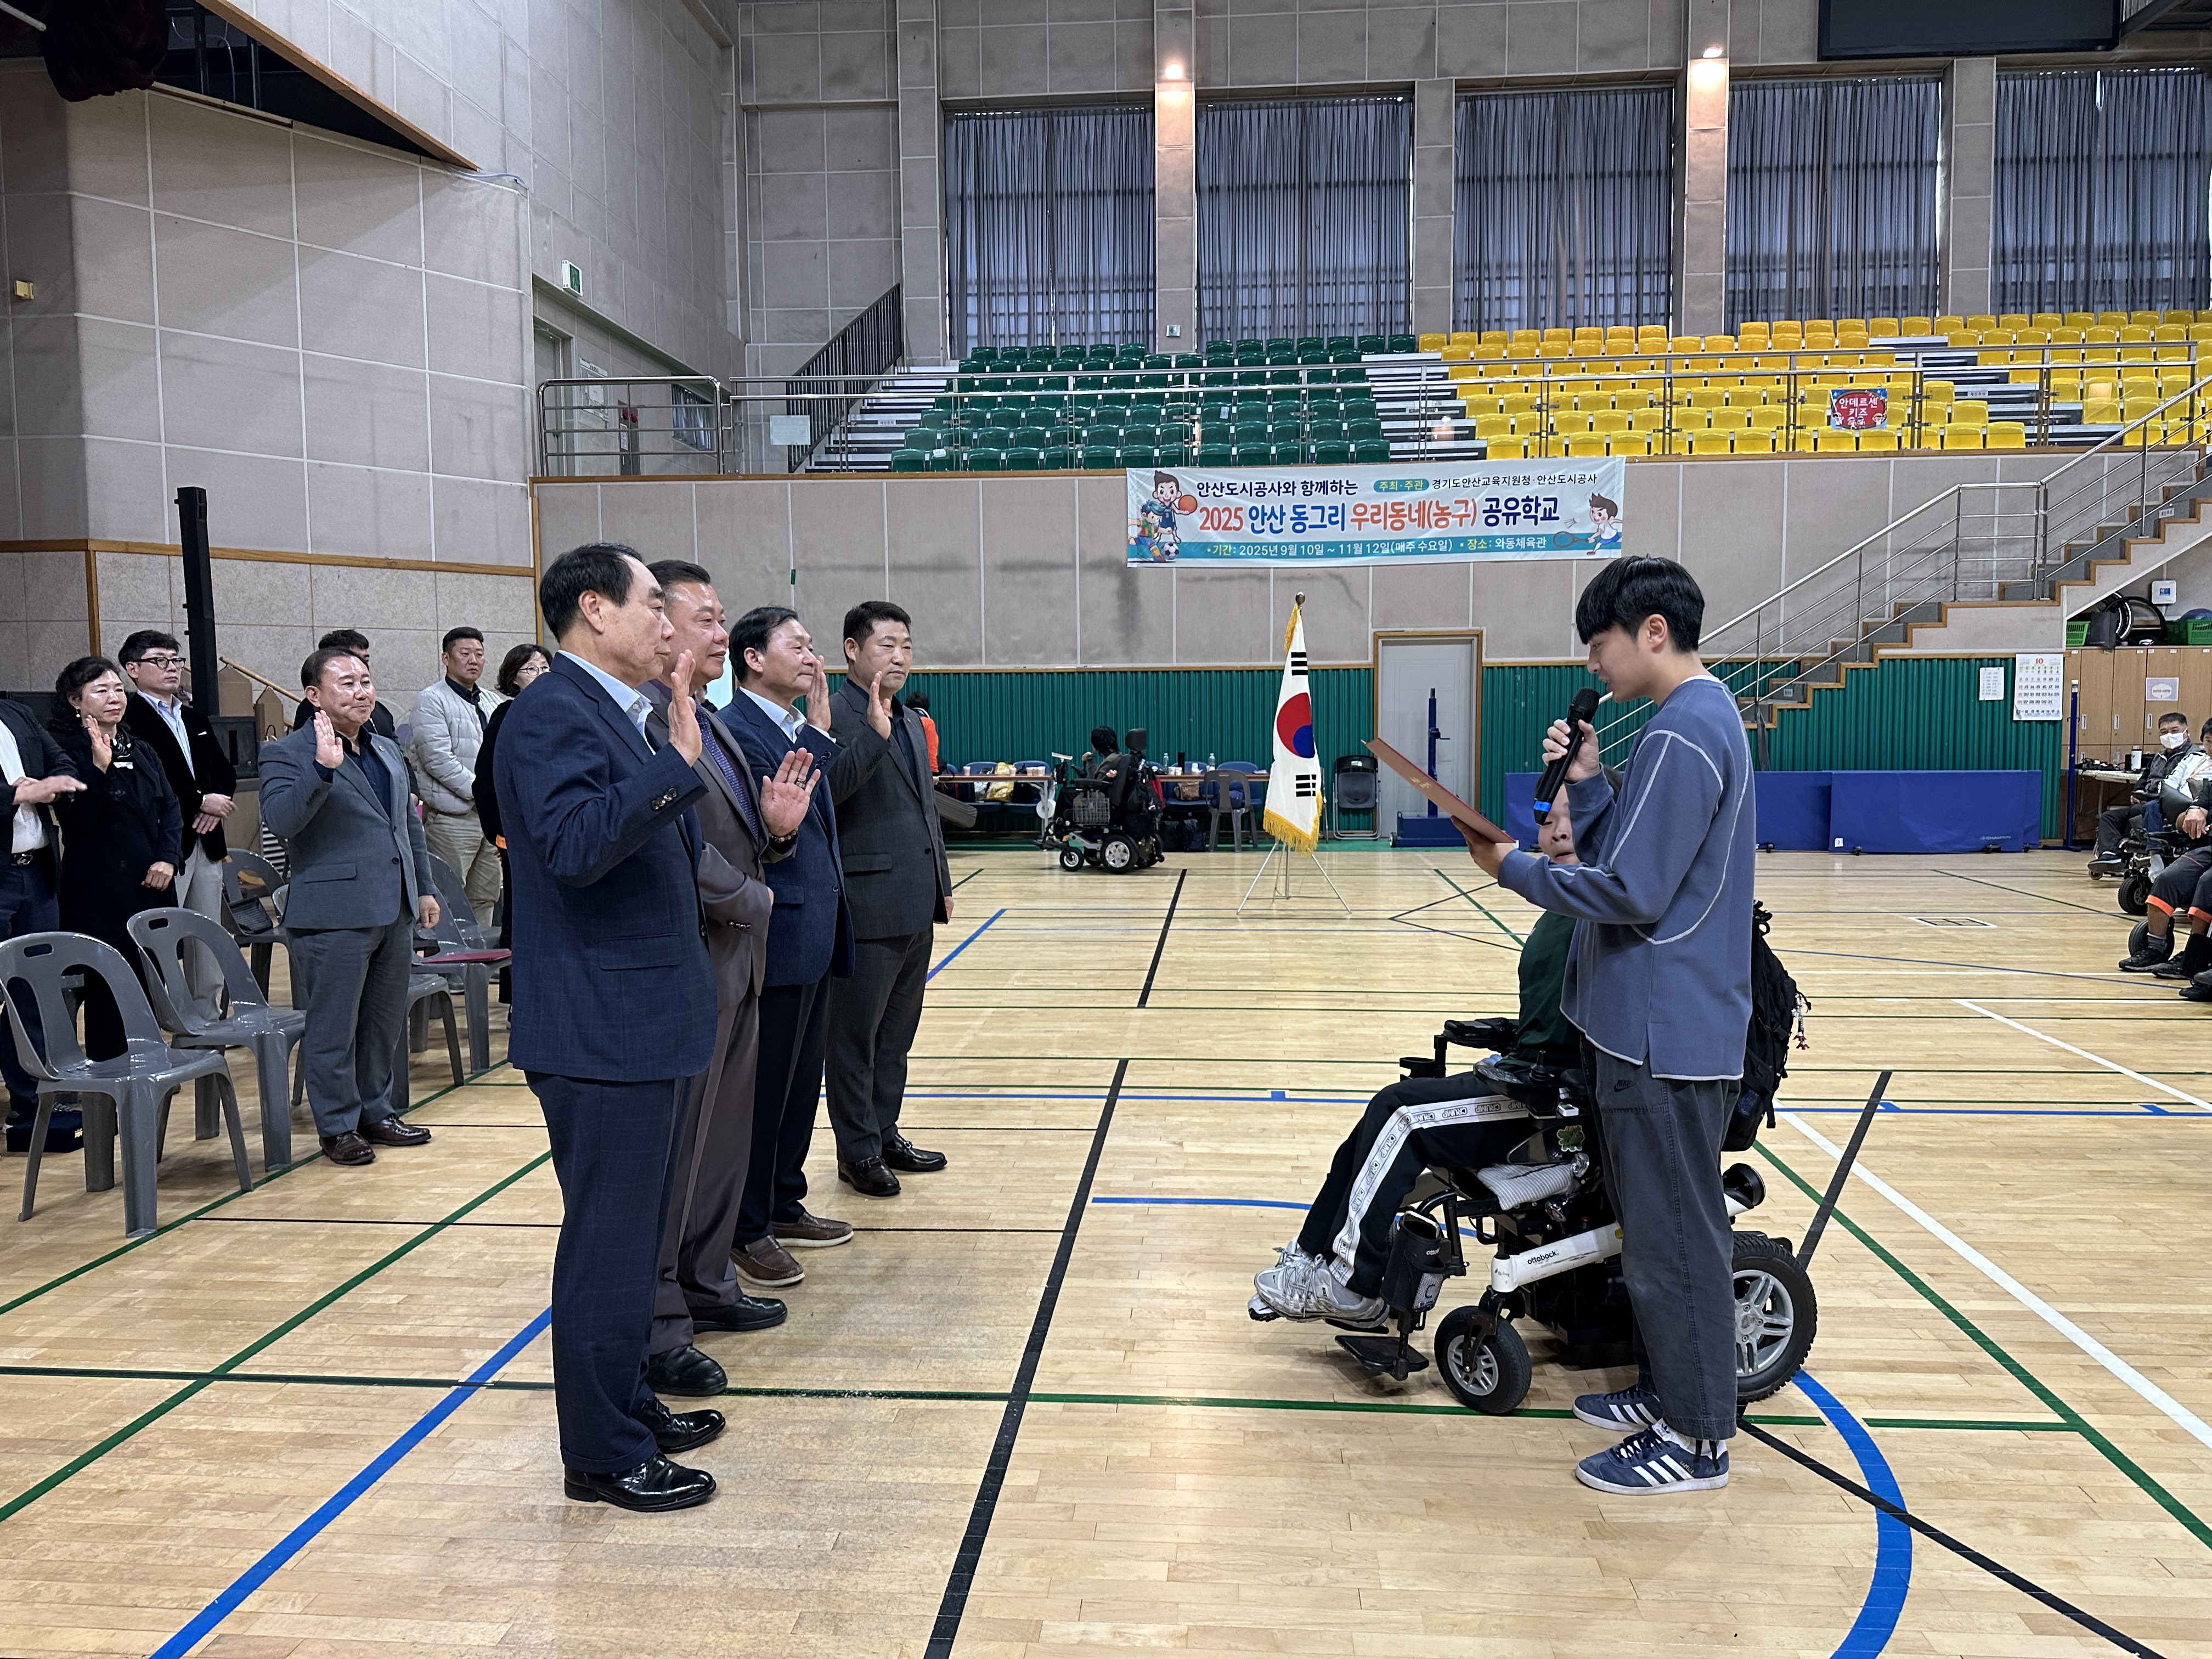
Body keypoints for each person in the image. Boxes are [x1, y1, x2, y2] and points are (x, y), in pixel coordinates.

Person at [1464, 555, 1753, 1497]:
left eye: (1600, 644)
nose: (1593, 665)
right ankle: (1670, 1393)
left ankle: (1698, 1438)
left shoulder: (1686, 730)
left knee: (1676, 1242)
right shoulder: (1690, 723)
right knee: (1657, 1233)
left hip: (1663, 1034)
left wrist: (1511, 867)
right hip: (1652, 1027)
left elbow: (1631, 889)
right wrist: (1586, 783)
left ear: (1652, 631)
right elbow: (1636, 851)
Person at [495, 542, 721, 1514]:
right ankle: (599, 1451)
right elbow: (577, 846)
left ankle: (624, 1400)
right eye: (652, 605)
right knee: (607, 1243)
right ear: (595, 609)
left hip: (640, 1020)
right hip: (600, 1027)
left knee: (633, 1244)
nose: (668, 625)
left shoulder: (617, 713)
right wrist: (674, 768)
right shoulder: (551, 712)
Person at [1253, 808, 1581, 1324]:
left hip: (1552, 1105)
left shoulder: (1602, 915)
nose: (1559, 831)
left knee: (1402, 1115)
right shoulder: (1559, 909)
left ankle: (1355, 1285)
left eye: (1575, 817)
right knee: (1377, 1118)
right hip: (1521, 1076)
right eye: (1549, 820)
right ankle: (1310, 1255)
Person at [640, 561, 819, 1394]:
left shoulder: (706, 720)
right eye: (706, 619)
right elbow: (670, 845)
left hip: (738, 953)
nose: (721, 632)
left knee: (722, 1143)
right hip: (697, 951)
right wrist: (753, 896)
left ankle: (709, 1283)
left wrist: (778, 836)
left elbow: (739, 832)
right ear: (658, 622)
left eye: (722, 619)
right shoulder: (646, 720)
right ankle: (663, 1307)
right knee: (678, 1151)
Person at [718, 605, 894, 1291]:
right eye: (796, 646)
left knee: (798, 1089)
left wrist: (818, 733)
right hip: (778, 933)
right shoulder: (741, 730)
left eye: (812, 646)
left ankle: (785, 1202)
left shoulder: (793, 726)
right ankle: (748, 1225)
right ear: (753, 658)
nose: (812, 658)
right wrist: (821, 735)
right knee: (765, 1093)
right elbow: (779, 818)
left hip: (815, 930)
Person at [257, 646, 442, 1168]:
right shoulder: (286, 753)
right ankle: (337, 1126)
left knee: (382, 1022)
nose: (362, 691)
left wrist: (423, 888)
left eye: (366, 681)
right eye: (347, 683)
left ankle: (375, 1112)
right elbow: (281, 821)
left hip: (393, 906)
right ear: (314, 695)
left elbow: (407, 825)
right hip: (332, 911)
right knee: (333, 1026)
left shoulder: (385, 748)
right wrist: (321, 768)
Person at [822, 601, 953, 1199]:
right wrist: (873, 738)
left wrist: (941, 884)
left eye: (906, 646)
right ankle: (857, 1151)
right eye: (886, 645)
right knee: (855, 1039)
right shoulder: (833, 715)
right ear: (852, 650)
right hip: (866, 904)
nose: (900, 657)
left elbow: (925, 811)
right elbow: (827, 795)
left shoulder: (909, 718)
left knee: (896, 1036)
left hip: (915, 902)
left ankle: (884, 1131)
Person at [45, 658, 180, 1062]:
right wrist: (100, 769)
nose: (114, 698)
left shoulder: (141, 748)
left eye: (118, 689)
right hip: (99, 891)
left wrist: (167, 858)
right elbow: (78, 822)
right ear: (76, 701)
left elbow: (171, 809)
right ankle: (111, 1075)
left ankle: (147, 1066)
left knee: (150, 979)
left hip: (151, 883)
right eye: (101, 691)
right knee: (106, 988)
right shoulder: (65, 753)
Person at [116, 630, 238, 1013]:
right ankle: (160, 1017)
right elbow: (151, 782)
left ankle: (207, 1017)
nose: (172, 668)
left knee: (207, 933)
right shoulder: (128, 719)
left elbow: (223, 771)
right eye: (160, 661)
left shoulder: (193, 717)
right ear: (133, 669)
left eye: (176, 661)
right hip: (164, 845)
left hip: (207, 839)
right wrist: (201, 801)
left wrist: (215, 804)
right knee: (162, 934)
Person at [0, 695, 83, 1153]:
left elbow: (61, 759)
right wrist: (16, 794)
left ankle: (31, 1104)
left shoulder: (16, 713)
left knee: (34, 993)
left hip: (36, 871)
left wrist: (50, 782)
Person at [410, 627, 506, 921]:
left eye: (479, 654)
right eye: (465, 654)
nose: (473, 660)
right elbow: (438, 760)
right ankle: (444, 955)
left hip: (489, 819)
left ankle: (479, 954)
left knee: (485, 897)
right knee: (448, 899)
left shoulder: (493, 701)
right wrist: (483, 793)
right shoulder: (431, 699)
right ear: (446, 658)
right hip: (452, 818)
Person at [473, 644, 551, 996]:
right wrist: (498, 833)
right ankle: (516, 995)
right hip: (517, 835)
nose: (541, 675)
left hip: (551, 830)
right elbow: (486, 779)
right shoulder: (507, 714)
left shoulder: (559, 710)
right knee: (520, 912)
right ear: (513, 678)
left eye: (545, 668)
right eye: (531, 669)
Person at [2118, 727, 2212, 981]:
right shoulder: (2209, 782)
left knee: (2207, 884)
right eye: (2209, 741)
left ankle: (2195, 957)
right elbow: (2196, 808)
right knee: (2167, 879)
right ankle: (2155, 948)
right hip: (2208, 846)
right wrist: (2193, 815)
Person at [2089, 710, 2197, 874]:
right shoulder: (2159, 756)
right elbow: (2145, 777)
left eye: (2174, 731)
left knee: (2137, 813)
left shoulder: (2193, 756)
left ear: (2186, 732)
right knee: (2109, 817)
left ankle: (2140, 856)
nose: (2169, 736)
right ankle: (2110, 854)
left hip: (2167, 807)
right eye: (2164, 732)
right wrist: (2137, 792)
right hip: (2146, 801)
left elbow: (2178, 787)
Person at [290, 629, 400, 741]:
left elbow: (396, 748)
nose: (359, 665)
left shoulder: (379, 710)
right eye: (348, 684)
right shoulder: (309, 711)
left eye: (365, 660)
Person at [905, 689, 940, 775]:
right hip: (922, 772)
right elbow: (931, 750)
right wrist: (934, 773)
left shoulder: (902, 721)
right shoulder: (927, 723)